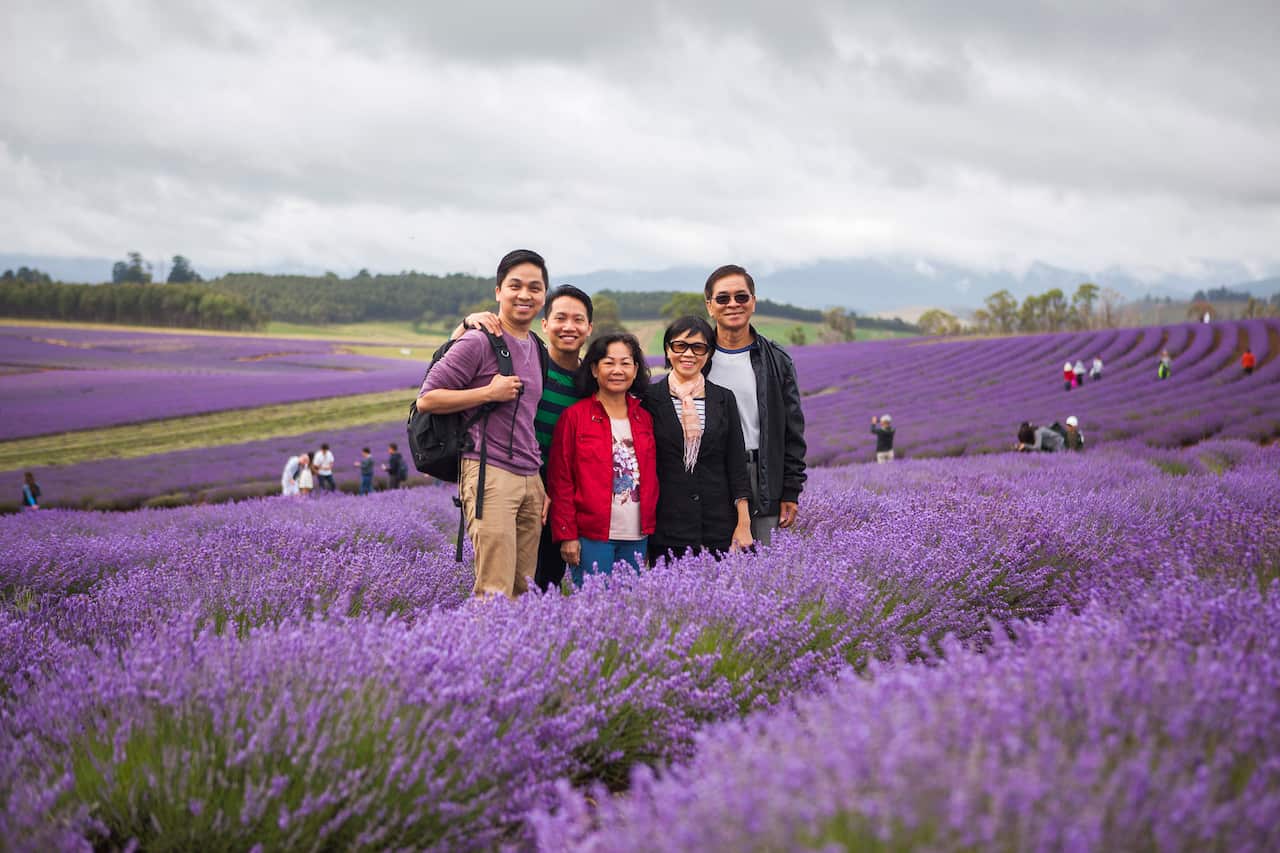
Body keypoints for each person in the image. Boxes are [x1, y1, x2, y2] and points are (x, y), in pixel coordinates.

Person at [417, 249, 549, 599]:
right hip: (490, 474)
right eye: (515, 286)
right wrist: (488, 393)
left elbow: (526, 419)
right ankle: (485, 653)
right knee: (494, 590)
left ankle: (516, 655)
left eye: (535, 288)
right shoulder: (477, 341)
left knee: (524, 589)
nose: (525, 295)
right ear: (498, 292)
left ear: (544, 295)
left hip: (529, 476)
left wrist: (538, 484)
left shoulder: (537, 346)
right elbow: (427, 398)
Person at [455, 284, 595, 592]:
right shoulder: (532, 369)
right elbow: (451, 367)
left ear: (589, 327)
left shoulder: (593, 381)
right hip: (522, 485)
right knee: (510, 582)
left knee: (544, 585)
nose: (569, 327)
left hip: (568, 499)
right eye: (560, 318)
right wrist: (465, 325)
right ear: (545, 324)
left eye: (578, 320)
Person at [703, 265, 806, 546]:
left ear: (753, 302)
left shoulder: (777, 360)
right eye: (723, 299)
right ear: (710, 306)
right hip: (709, 476)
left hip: (761, 476)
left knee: (762, 570)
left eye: (742, 297)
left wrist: (790, 491)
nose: (733, 304)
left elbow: (793, 431)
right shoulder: (697, 359)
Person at [549, 333, 657, 587]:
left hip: (637, 534)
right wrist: (568, 535)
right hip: (592, 536)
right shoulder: (575, 417)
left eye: (625, 363)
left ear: (635, 369)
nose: (617, 370)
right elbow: (561, 480)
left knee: (631, 611)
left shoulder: (644, 418)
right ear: (595, 369)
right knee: (594, 612)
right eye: (609, 363)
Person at [643, 316, 752, 562]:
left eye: (698, 347)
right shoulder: (649, 398)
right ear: (667, 350)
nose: (688, 354)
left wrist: (743, 523)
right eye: (679, 346)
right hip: (668, 526)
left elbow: (736, 464)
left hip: (718, 525)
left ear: (709, 353)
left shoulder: (723, 399)